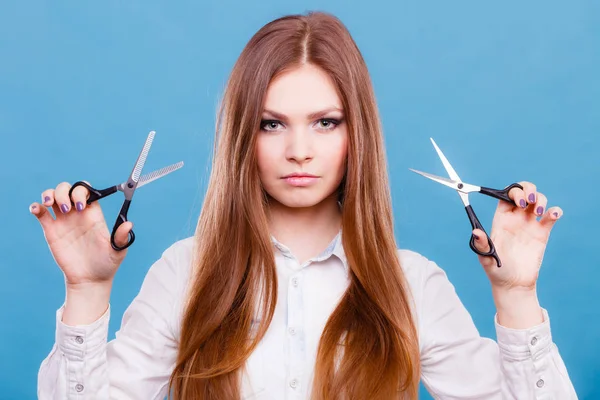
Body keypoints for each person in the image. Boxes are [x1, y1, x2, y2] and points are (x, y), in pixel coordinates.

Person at [33, 11, 577, 400]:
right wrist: (86, 292)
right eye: (272, 124)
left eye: (325, 122)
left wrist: (517, 298)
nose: (298, 150)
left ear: (355, 133)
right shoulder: (186, 272)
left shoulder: (411, 285)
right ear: (243, 137)